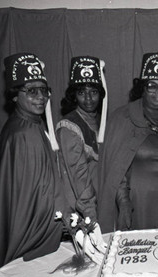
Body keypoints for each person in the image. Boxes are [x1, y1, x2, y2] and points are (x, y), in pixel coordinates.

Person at [0, 53, 65, 277]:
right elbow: (37, 200)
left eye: (44, 90)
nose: (41, 97)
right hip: (29, 237)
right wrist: (63, 222)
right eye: (31, 91)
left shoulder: (26, 123)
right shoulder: (25, 133)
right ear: (14, 96)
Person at [97, 52, 158, 232]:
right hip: (138, 205)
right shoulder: (122, 118)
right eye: (151, 86)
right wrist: (123, 201)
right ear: (142, 88)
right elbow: (115, 168)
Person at [56, 56, 107, 254]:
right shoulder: (69, 127)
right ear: (73, 95)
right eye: (82, 92)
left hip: (100, 203)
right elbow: (79, 178)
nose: (88, 98)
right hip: (82, 210)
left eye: (93, 92)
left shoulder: (101, 122)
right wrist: (91, 220)